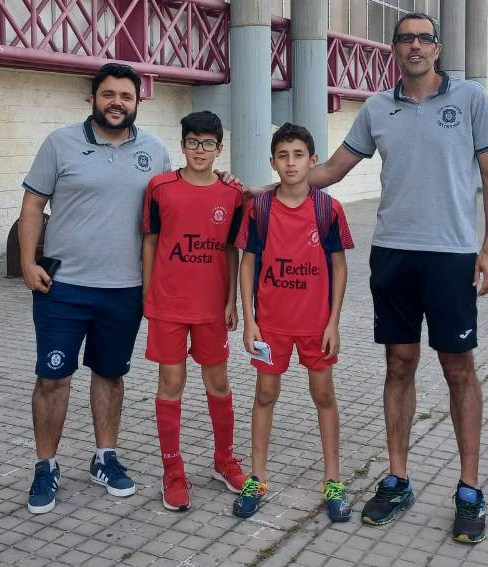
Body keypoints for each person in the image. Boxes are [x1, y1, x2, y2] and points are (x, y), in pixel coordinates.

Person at [299, 12, 488, 543]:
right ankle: (397, 478)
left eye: (423, 38)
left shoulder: (470, 102)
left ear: (437, 49)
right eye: (404, 38)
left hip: (452, 255)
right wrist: (270, 186)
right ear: (394, 49)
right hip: (393, 254)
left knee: (458, 366)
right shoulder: (377, 108)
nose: (414, 46)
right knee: (399, 362)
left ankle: (469, 489)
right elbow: (333, 170)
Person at [18, 63, 172, 514]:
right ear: (92, 98)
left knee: (110, 374)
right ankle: (45, 465)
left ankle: (105, 457)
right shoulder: (60, 143)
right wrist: (28, 263)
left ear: (138, 101)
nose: (117, 103)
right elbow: (32, 203)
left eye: (126, 96)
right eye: (108, 94)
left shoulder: (155, 150)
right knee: (52, 378)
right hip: (62, 286)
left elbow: (177, 198)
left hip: (125, 288)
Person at [232, 123, 355, 523]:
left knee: (324, 396)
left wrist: (333, 322)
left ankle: (333, 480)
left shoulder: (327, 209)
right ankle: (258, 477)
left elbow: (339, 267)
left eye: (298, 155)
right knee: (265, 395)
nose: (290, 163)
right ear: (272, 162)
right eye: (282, 156)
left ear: (312, 160)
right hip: (272, 326)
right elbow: (247, 263)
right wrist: (249, 320)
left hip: (315, 325)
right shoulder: (260, 209)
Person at [141, 111, 248, 511]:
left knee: (218, 382)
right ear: (181, 145)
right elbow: (151, 241)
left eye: (208, 144)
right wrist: (148, 295)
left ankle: (224, 459)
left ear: (219, 149)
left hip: (210, 307)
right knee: (170, 384)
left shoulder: (231, 194)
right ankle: (173, 470)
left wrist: (231, 300)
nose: (199, 150)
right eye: (192, 142)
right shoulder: (159, 187)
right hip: (168, 304)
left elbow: (232, 249)